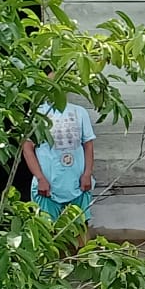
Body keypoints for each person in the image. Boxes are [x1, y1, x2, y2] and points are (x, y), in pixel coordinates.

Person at [22, 69, 96, 228]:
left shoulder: (79, 112)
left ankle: (83, 254)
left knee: (81, 227)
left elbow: (88, 145)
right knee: (47, 231)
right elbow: (27, 148)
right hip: (48, 187)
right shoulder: (37, 114)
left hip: (77, 184)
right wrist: (40, 178)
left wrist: (87, 174)